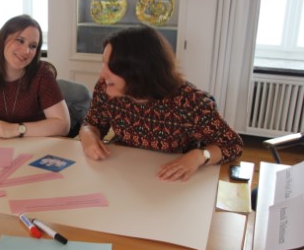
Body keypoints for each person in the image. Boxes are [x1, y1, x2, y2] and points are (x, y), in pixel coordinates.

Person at [79, 25, 243, 182]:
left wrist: (199, 156)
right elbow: (93, 123)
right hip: (124, 172)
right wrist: (87, 134)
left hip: (173, 178)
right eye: (103, 64)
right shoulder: (106, 89)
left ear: (140, 71)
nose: (101, 75)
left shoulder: (189, 102)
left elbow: (232, 145)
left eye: (112, 67)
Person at [0, 15, 70, 138]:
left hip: (36, 142)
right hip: (2, 143)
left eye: (32, 46)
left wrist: (17, 129)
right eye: (20, 40)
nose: (26, 51)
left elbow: (63, 125)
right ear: (4, 39)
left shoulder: (43, 75)